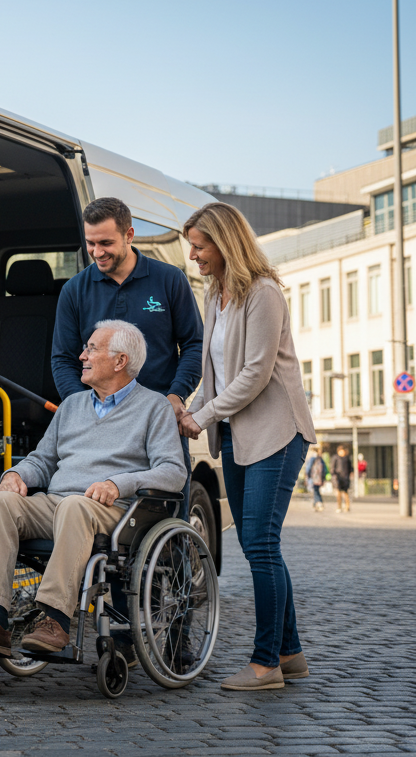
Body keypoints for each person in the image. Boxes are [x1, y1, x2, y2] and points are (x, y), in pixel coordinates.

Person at [0, 320, 186, 657]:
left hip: (115, 512)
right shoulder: (72, 405)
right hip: (58, 504)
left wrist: (119, 483)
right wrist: (17, 475)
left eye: (91, 349)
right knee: (1, 503)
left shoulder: (154, 407)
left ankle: (56, 620)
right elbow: (43, 459)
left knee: (75, 506)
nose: (81, 355)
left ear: (120, 361)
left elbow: (174, 472)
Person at [179, 202, 316, 691]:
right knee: (257, 544)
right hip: (237, 433)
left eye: (199, 246)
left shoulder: (263, 293)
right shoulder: (215, 295)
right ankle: (290, 651)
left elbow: (255, 374)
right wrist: (189, 407)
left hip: (277, 432)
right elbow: (214, 372)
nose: (193, 256)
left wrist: (202, 415)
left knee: (260, 543)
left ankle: (266, 665)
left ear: (224, 242)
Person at [51, 196, 203, 435]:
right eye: (90, 243)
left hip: (159, 420)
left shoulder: (170, 280)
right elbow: (63, 359)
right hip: (98, 426)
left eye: (106, 243)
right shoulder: (74, 290)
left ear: (129, 235)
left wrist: (176, 395)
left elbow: (195, 344)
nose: (97, 252)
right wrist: (84, 408)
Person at [331, 446, 353, 513]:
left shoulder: (347, 459)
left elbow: (351, 468)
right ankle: (339, 506)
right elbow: (332, 468)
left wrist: (350, 475)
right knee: (338, 493)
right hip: (338, 478)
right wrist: (334, 476)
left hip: (345, 478)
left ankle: (347, 506)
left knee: (345, 493)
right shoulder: (335, 458)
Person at [304, 447, 325, 512]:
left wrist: (307, 476)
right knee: (316, 491)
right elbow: (325, 469)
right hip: (319, 478)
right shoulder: (320, 459)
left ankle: (319, 503)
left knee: (315, 491)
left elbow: (308, 468)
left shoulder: (312, 459)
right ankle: (316, 505)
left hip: (313, 478)